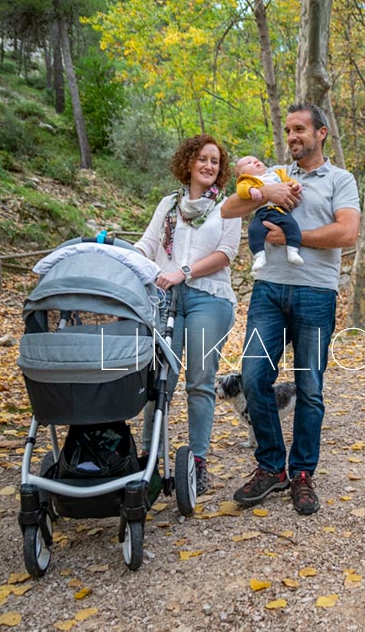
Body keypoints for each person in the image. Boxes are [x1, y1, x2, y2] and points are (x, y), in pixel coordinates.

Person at [221, 103, 360, 515]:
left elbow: (347, 231)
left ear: (322, 134)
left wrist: (292, 240)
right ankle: (271, 467)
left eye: (300, 129)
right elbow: (229, 208)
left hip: (316, 294)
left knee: (310, 389)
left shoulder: (340, 179)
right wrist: (268, 192)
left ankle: (301, 474)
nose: (292, 136)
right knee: (253, 377)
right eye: (287, 130)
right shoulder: (277, 175)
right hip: (268, 292)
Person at [134, 134, 241, 496]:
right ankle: (149, 458)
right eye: (203, 159)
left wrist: (185, 271)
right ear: (188, 162)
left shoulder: (228, 207)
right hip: (165, 298)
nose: (209, 166)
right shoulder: (168, 205)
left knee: (199, 379)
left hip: (209, 298)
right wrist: (124, 257)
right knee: (159, 379)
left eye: (216, 161)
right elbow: (148, 245)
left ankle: (197, 461)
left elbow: (226, 253)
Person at [234, 155, 304, 272]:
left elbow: (289, 181)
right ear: (243, 174)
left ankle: (293, 251)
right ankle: (259, 256)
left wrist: (296, 185)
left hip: (279, 210)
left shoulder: (276, 174)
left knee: (292, 225)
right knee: (254, 230)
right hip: (262, 213)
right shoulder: (247, 181)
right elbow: (241, 191)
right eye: (249, 163)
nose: (255, 161)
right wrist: (251, 190)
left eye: (256, 159)